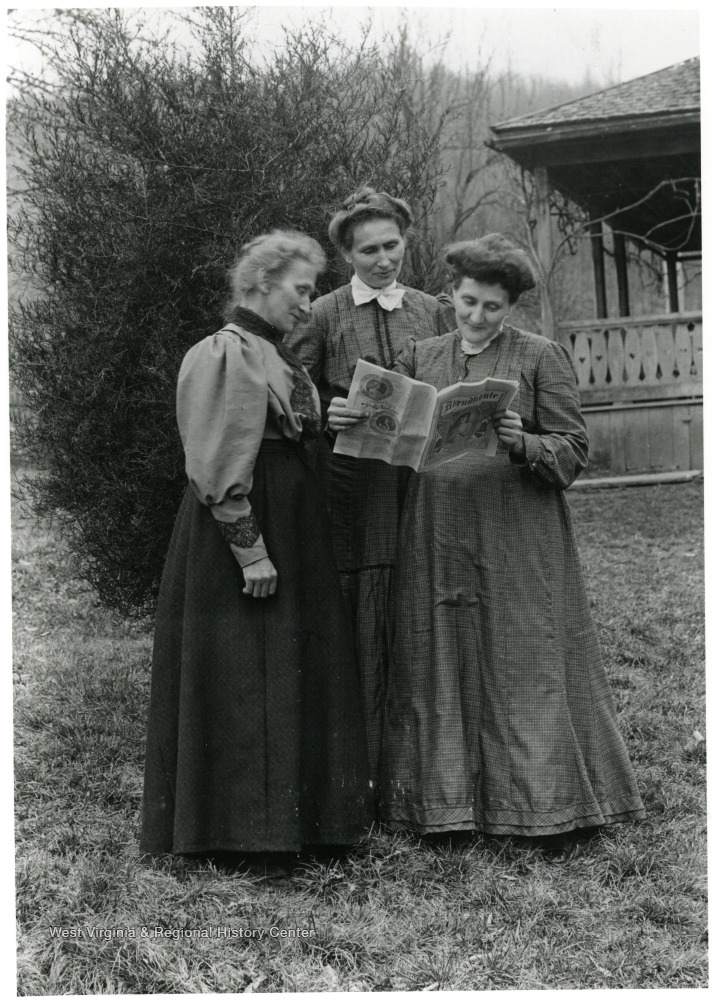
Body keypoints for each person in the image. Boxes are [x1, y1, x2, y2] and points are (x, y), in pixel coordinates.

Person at [375, 234, 645, 852]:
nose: (476, 316)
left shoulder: (540, 356)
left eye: (492, 307)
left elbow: (575, 451)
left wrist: (521, 439)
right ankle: (443, 811)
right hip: (437, 530)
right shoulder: (420, 355)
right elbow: (394, 443)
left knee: (523, 656)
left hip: (518, 533)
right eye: (468, 302)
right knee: (441, 656)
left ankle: (542, 808)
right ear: (450, 295)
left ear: (511, 307)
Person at [140, 230, 373, 858]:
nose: (307, 304)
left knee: (280, 667)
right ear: (261, 283)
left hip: (292, 522)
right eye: (300, 290)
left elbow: (287, 430)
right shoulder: (224, 353)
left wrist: (332, 416)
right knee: (248, 673)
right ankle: (242, 833)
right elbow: (218, 465)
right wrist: (252, 551)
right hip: (245, 533)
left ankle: (288, 826)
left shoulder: (275, 354)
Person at [286, 188, 452, 783]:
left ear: (406, 243)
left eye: (392, 246)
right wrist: (323, 413)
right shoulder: (326, 312)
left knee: (420, 591)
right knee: (367, 604)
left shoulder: (433, 309)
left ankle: (427, 752)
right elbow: (292, 384)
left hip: (421, 476)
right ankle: (365, 757)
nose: (383, 260)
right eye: (368, 251)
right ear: (347, 255)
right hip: (353, 479)